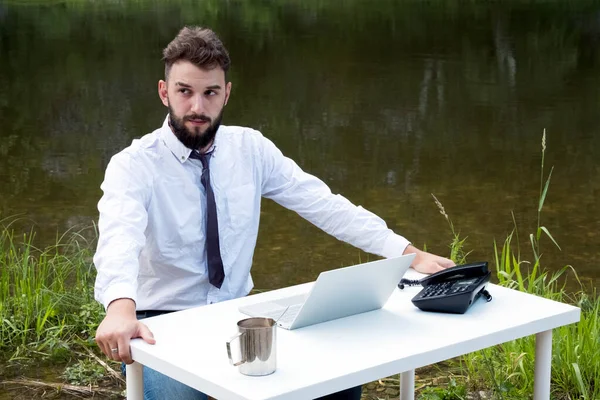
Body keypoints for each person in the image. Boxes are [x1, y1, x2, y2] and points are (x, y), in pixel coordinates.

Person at [93, 26, 455, 400]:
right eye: (185, 91)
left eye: (210, 93)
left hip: (238, 316)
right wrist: (120, 307)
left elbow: (323, 203)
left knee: (339, 384)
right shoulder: (133, 165)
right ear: (164, 91)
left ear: (226, 94)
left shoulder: (251, 149)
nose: (197, 107)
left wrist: (407, 252)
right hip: (161, 325)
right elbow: (120, 237)